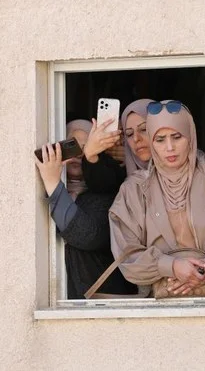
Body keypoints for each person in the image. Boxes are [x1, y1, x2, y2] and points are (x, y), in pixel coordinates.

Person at [109, 100, 205, 296]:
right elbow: (126, 255)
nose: (169, 147)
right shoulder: (133, 189)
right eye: (160, 140)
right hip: (157, 305)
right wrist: (172, 266)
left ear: (191, 136)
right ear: (151, 140)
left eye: (176, 137)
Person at [35, 119, 136, 299]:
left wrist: (52, 182)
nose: (78, 153)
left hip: (95, 309)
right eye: (72, 144)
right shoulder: (42, 192)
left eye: (86, 147)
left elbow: (86, 235)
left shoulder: (108, 196)